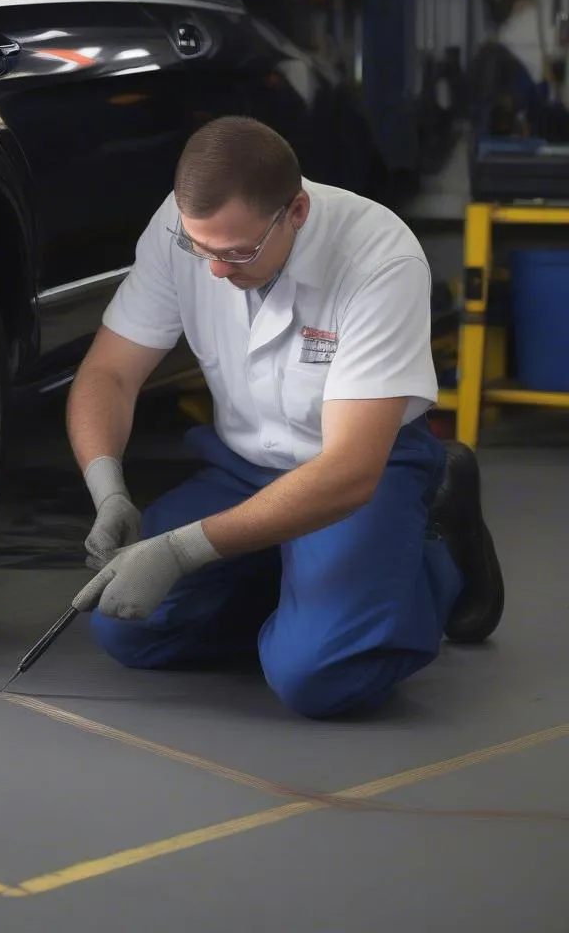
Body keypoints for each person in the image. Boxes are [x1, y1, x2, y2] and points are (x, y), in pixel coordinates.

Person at [64, 116, 504, 720]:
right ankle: (300, 585)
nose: (216, 270)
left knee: (319, 678)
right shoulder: (184, 227)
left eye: (238, 251)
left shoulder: (380, 257)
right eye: (202, 250)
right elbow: (109, 373)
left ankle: (435, 549)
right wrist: (107, 487)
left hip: (354, 473)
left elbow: (349, 470)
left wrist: (181, 552)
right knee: (127, 629)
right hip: (243, 468)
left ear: (295, 211)